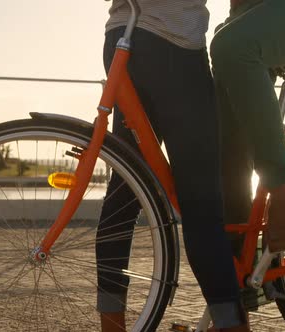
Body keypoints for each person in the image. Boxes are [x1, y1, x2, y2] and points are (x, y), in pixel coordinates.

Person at [96, 1, 250, 331]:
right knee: (202, 207)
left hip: (120, 37)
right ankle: (230, 322)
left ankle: (112, 326)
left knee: (124, 193)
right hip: (173, 43)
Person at [212, 0, 285, 256]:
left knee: (233, 46)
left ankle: (284, 192)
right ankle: (242, 258)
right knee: (230, 146)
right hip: (249, 11)